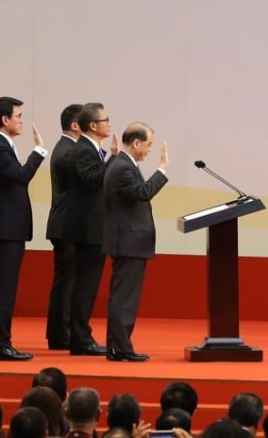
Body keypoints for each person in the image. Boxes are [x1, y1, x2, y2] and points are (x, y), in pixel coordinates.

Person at [0, 96, 45, 361]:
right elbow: (20, 177)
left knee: (6, 288)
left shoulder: (3, 145)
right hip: (3, 229)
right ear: (5, 120)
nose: (21, 120)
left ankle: (2, 342)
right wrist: (39, 151)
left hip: (9, 228)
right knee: (3, 290)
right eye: (18, 116)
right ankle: (0, 344)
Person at [103, 123, 168, 361]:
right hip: (128, 241)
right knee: (124, 298)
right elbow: (142, 192)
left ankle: (116, 345)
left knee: (122, 295)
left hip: (128, 240)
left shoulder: (123, 164)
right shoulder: (123, 167)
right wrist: (162, 170)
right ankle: (121, 348)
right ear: (136, 142)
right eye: (148, 144)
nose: (150, 149)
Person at [66, 102, 116, 355]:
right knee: (85, 286)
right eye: (106, 120)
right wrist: (114, 158)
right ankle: (80, 338)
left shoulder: (91, 148)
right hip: (87, 228)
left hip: (94, 226)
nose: (109, 123)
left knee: (88, 285)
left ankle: (81, 334)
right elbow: (94, 180)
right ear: (93, 125)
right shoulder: (83, 149)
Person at [45, 104, 83, 351]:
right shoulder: (68, 151)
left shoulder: (67, 148)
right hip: (67, 225)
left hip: (67, 224)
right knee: (66, 282)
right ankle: (61, 334)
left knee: (66, 281)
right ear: (75, 125)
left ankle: (60, 332)